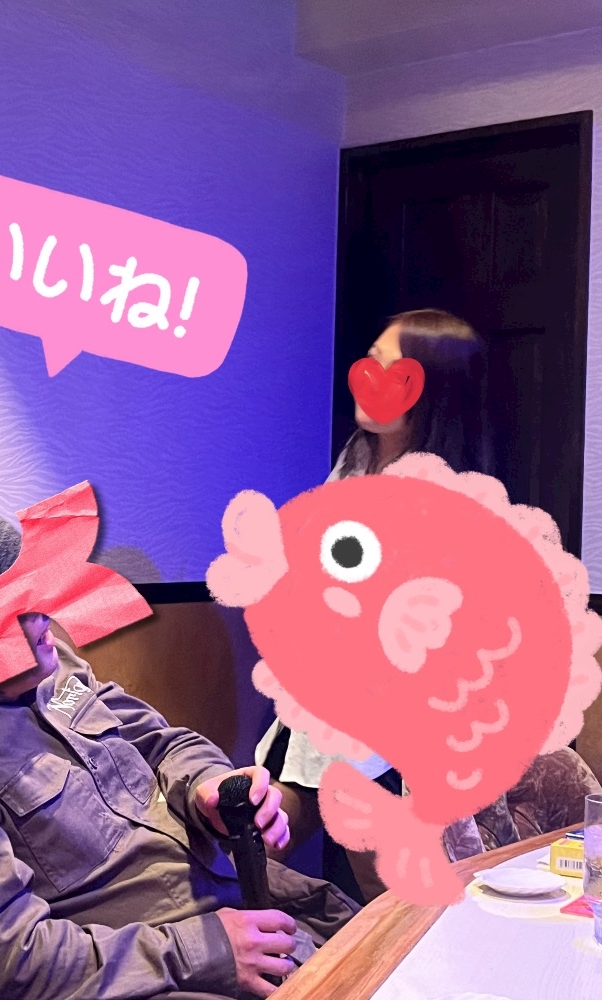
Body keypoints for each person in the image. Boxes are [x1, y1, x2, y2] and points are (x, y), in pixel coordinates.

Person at [0, 493, 359, 1000]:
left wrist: (206, 786)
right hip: (164, 978)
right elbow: (6, 964)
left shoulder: (49, 666)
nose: (45, 611)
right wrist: (201, 951)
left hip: (250, 907)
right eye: (13, 608)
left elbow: (159, 743)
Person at [255, 308, 494, 905]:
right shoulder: (355, 462)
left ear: (429, 389)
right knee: (247, 852)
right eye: (369, 362)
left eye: (390, 370)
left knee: (393, 903)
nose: (367, 379)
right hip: (313, 714)